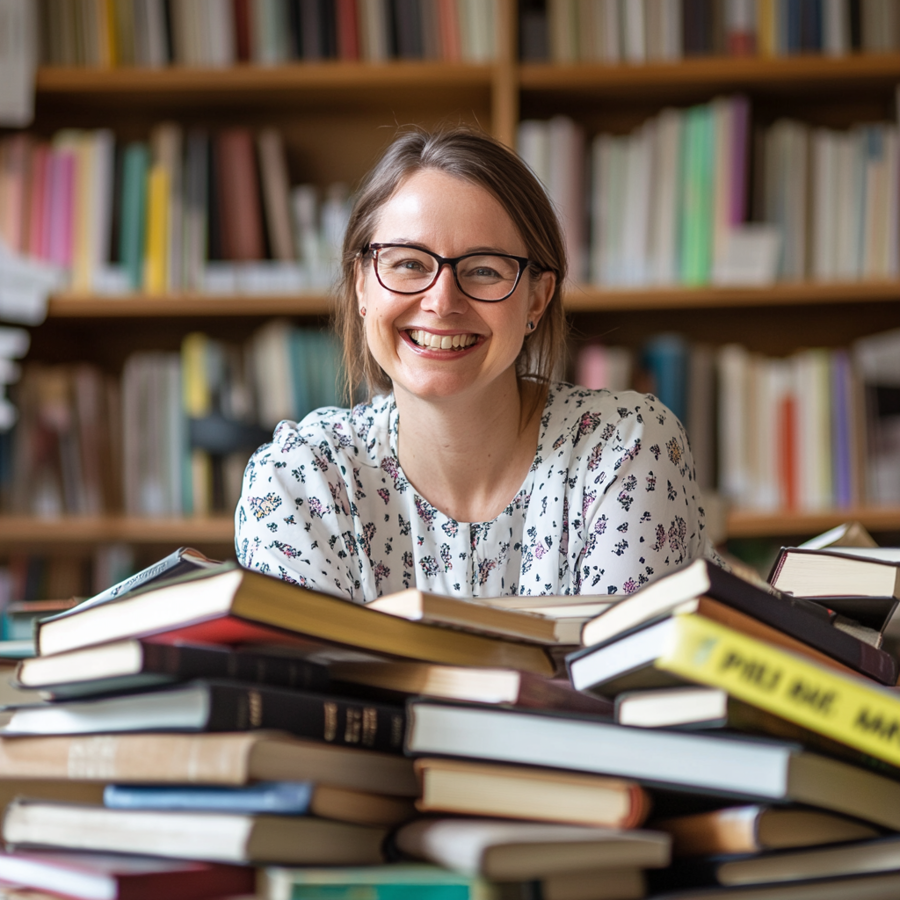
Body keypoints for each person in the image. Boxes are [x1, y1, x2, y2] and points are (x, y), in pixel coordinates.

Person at [235, 126, 721, 602]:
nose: (442, 302)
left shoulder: (625, 449)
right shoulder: (299, 479)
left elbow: (630, 657)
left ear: (536, 299)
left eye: (484, 270)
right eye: (408, 263)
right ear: (362, 284)